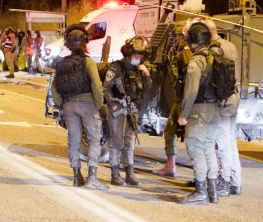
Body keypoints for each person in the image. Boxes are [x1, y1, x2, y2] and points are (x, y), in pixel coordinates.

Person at [51, 24, 107, 190]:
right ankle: (92, 178)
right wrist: (98, 104)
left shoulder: (62, 64)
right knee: (94, 140)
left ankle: (76, 176)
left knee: (74, 141)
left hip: (69, 105)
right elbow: (97, 85)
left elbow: (54, 88)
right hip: (88, 105)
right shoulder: (88, 62)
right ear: (85, 43)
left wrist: (62, 104)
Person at [176, 21, 220, 205]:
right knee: (209, 148)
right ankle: (213, 191)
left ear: (192, 40)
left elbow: (191, 91)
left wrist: (184, 114)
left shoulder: (196, 61)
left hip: (198, 111)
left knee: (196, 149)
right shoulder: (214, 56)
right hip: (214, 110)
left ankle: (200, 191)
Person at [102, 36, 152, 187]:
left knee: (129, 143)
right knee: (116, 141)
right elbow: (105, 88)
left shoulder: (141, 69)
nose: (138, 58)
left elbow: (148, 90)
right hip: (118, 108)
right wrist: (114, 104)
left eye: (140, 55)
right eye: (136, 55)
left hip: (133, 109)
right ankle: (115, 174)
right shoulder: (116, 67)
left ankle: (130, 174)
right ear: (129, 54)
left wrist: (147, 74)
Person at [206, 19, 242, 197]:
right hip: (233, 97)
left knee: (221, 143)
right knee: (230, 142)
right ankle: (236, 182)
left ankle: (224, 182)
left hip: (222, 101)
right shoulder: (230, 45)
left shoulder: (214, 50)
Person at [153, 31, 190, 178]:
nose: (177, 39)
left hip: (186, 100)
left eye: (180, 36)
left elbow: (189, 78)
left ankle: (202, 179)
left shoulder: (187, 52)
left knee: (193, 138)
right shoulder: (183, 51)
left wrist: (185, 108)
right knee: (169, 130)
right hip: (180, 99)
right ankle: (170, 165)